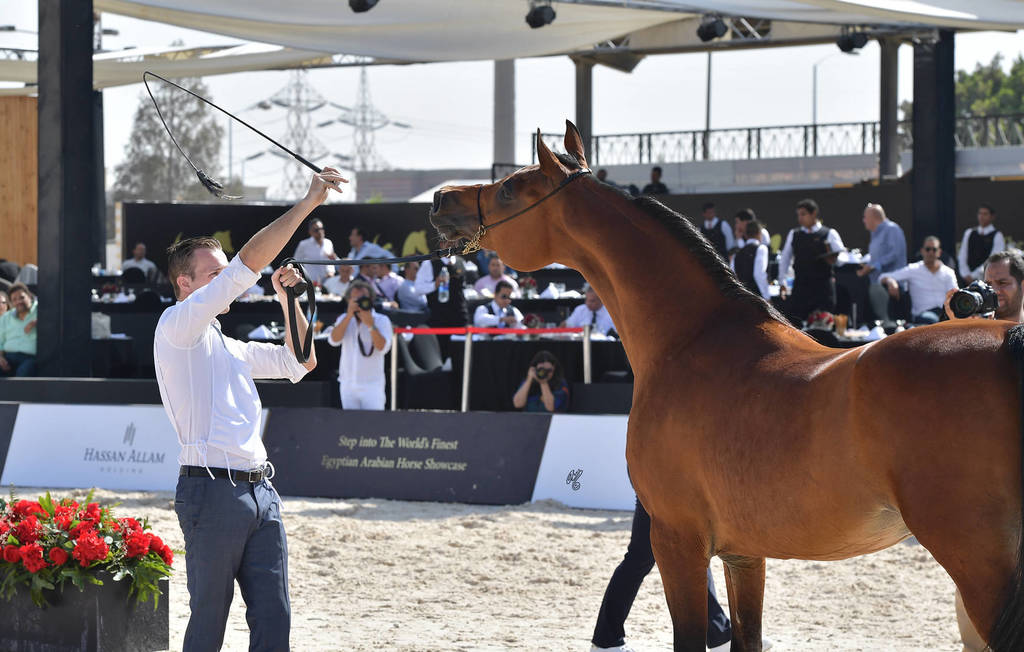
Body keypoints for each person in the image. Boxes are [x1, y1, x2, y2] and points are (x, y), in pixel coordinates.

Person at [153, 168, 344, 652]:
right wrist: (306, 205)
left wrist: (290, 300)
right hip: (211, 491)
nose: (226, 281)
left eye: (223, 272)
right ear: (185, 283)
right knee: (208, 623)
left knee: (274, 619)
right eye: (213, 274)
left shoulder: (228, 345)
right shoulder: (177, 325)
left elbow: (300, 362)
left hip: (261, 491)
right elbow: (247, 264)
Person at [944, 249, 1024, 652]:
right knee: (973, 576)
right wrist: (958, 327)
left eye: (1004, 283)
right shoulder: (975, 342)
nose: (995, 292)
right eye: (988, 285)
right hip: (985, 488)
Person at [590, 498, 734, 652]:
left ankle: (605, 640)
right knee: (688, 550)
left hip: (661, 480)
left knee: (647, 556)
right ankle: (720, 637)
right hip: (663, 482)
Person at [777, 198, 848, 326]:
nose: (800, 218)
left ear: (814, 213)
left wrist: (833, 258)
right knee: (798, 326)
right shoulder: (794, 234)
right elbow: (785, 258)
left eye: (803, 214)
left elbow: (842, 256)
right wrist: (782, 281)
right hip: (801, 288)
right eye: (798, 215)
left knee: (823, 326)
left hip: (823, 289)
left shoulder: (829, 233)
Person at [327, 279, 394, 410]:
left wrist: (370, 325)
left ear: (371, 299)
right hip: (348, 385)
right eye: (355, 299)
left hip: (372, 387)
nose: (360, 302)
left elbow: (382, 347)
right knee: (350, 428)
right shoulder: (343, 319)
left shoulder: (381, 320)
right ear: (348, 301)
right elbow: (333, 340)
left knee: (374, 427)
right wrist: (348, 316)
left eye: (363, 298)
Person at [879, 236, 958, 324]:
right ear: (922, 251)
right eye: (928, 249)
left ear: (939, 252)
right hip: (923, 315)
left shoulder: (949, 272)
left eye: (934, 249)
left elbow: (954, 295)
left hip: (945, 314)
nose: (931, 252)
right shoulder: (913, 269)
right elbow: (883, 277)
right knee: (934, 321)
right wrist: (891, 281)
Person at [856, 203, 907, 324]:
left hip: (892, 287)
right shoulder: (875, 234)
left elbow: (895, 253)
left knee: (890, 325)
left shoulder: (892, 229)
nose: (863, 221)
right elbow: (877, 257)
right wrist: (867, 264)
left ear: (873, 217)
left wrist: (873, 266)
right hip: (877, 286)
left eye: (865, 217)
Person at [945, 249, 1024, 323]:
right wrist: (959, 324)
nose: (995, 290)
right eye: (988, 285)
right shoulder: (978, 331)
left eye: (1002, 283)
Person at [958, 204, 1005, 285]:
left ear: (992, 217)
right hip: (966, 281)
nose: (981, 216)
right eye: (980, 213)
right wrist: (965, 274)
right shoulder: (969, 232)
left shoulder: (997, 235)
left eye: (985, 214)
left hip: (987, 281)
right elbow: (962, 255)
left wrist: (974, 275)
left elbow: (993, 259)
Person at [0, 283, 37, 377]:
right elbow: (0, 342)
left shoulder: (40, 310)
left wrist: (37, 322)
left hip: (30, 358)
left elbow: (53, 316)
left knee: (24, 372)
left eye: (22, 297)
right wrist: (0, 358)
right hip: (9, 357)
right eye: (14, 299)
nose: (19, 301)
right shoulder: (6, 317)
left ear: (29, 296)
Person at [731, 220, 771, 300]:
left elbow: (732, 275)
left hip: (741, 298)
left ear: (745, 235)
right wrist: (767, 297)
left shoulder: (737, 254)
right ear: (759, 233)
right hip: (757, 298)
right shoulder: (761, 249)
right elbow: (759, 274)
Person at [293, 218, 336, 285]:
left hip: (328, 282)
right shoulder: (303, 244)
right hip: (311, 283)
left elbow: (332, 260)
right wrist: (302, 278)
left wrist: (332, 271)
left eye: (321, 228)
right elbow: (296, 263)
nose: (320, 231)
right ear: (310, 232)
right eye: (316, 230)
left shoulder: (328, 242)